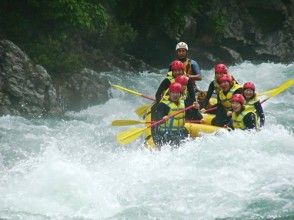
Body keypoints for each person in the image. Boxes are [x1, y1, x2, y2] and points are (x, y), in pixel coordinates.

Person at [151, 83, 190, 148]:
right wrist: (162, 118)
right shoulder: (163, 105)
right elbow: (156, 118)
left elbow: (195, 116)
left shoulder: (184, 103)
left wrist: (196, 109)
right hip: (166, 134)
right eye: (173, 93)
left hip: (180, 132)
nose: (175, 95)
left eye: (177, 93)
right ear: (169, 93)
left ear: (180, 94)